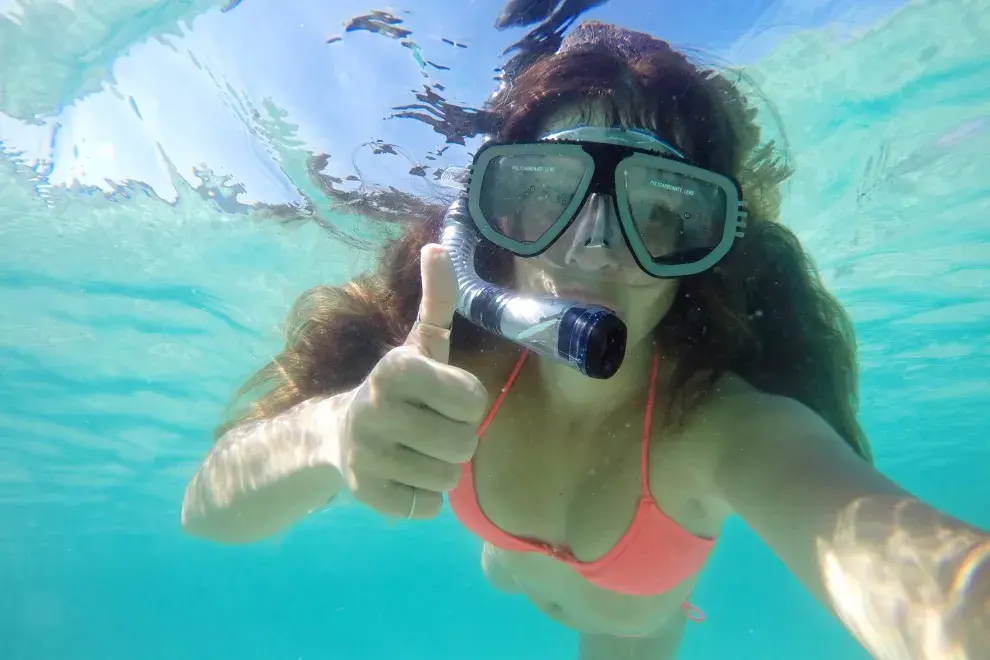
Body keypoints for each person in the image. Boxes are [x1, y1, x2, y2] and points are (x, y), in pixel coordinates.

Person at [181, 20, 988, 659]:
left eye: (659, 212)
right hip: (522, 573)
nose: (593, 249)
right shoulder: (439, 366)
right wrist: (335, 430)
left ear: (698, 255)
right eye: (545, 196)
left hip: (631, 634)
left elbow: (919, 576)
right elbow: (206, 513)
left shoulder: (723, 428)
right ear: (486, 227)